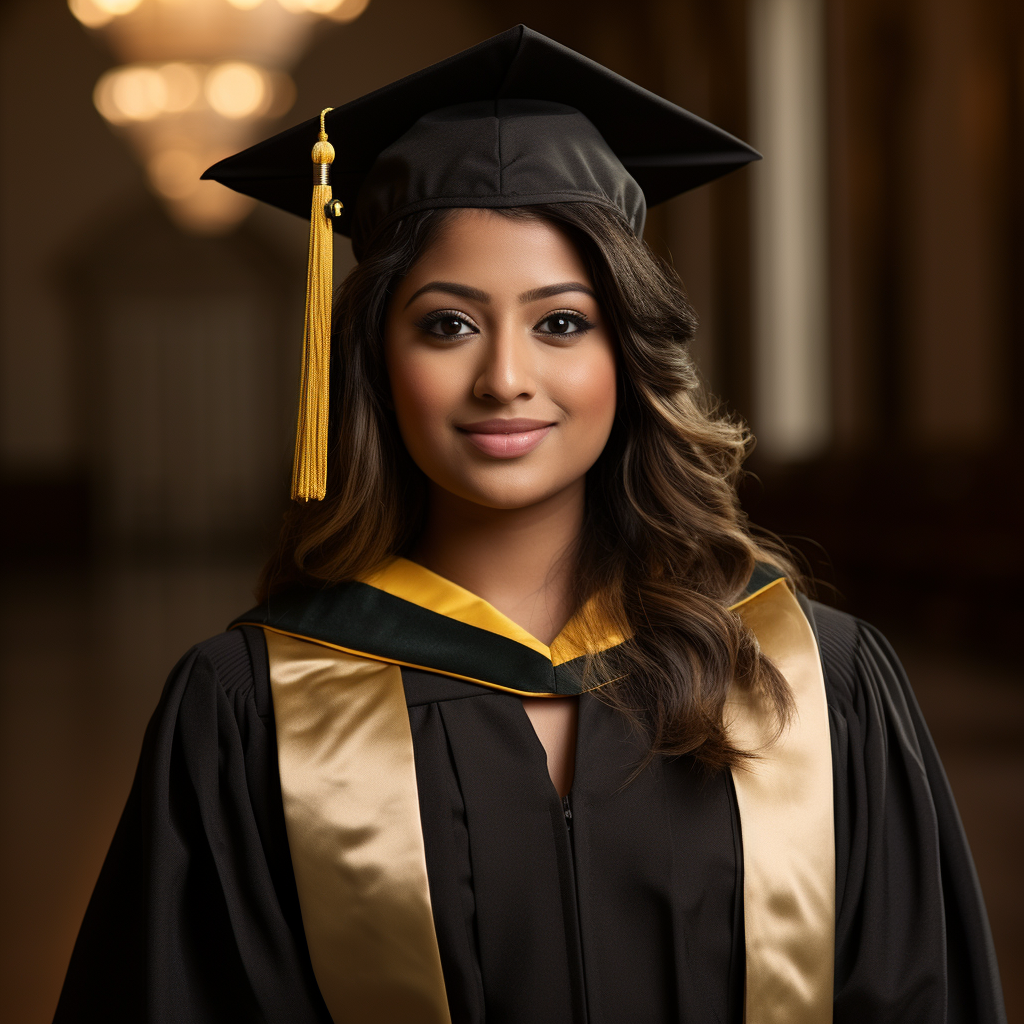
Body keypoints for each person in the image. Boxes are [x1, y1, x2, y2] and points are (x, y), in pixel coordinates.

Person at [54, 25, 1005, 1024]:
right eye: (446, 323)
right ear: (375, 360)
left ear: (626, 358)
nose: (505, 377)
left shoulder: (815, 683)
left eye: (561, 322)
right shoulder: (253, 709)